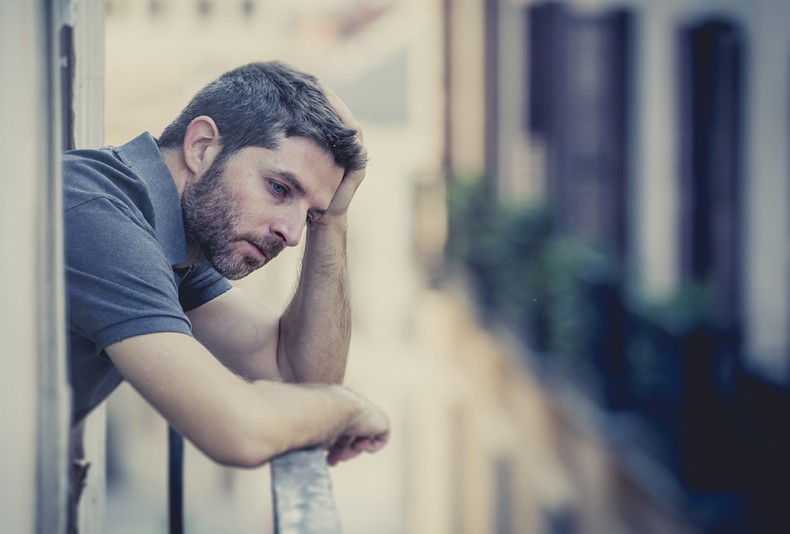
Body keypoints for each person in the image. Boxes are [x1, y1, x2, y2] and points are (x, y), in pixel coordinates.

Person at [63, 61, 390, 474]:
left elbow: (299, 375)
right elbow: (240, 431)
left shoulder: (173, 241)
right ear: (201, 146)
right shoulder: (99, 216)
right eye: (279, 188)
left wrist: (332, 220)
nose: (291, 235)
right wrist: (348, 407)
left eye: (308, 216)